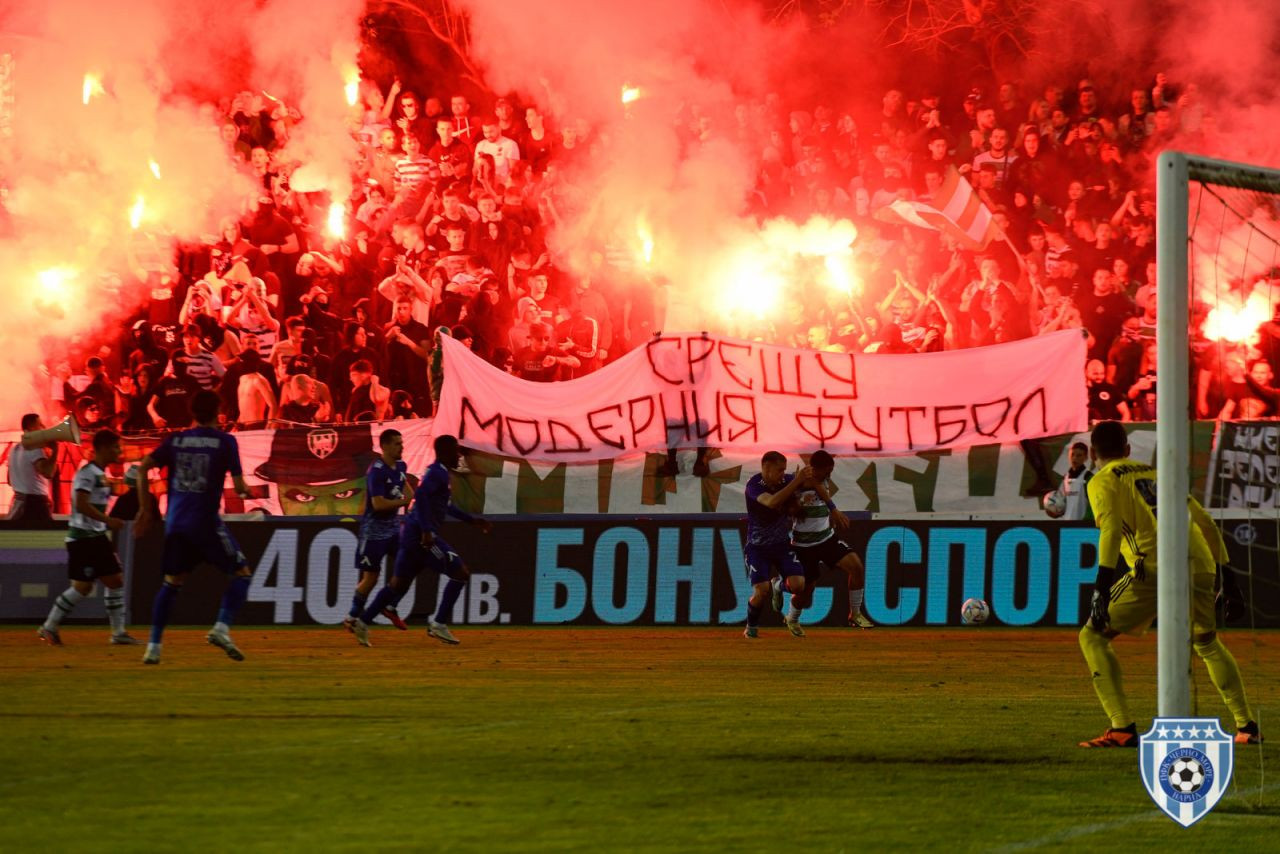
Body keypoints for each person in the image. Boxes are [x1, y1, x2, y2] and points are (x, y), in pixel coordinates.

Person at [1077, 420, 1261, 748]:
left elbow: (1110, 532)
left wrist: (1101, 587)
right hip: (1200, 562)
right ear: (1129, 450)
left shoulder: (1102, 480)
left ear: (1093, 453)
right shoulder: (1157, 474)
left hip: (1154, 566)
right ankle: (1247, 726)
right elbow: (1204, 522)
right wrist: (1228, 578)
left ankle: (1121, 727)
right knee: (1206, 642)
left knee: (1092, 636)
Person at [134, 391, 256, 665]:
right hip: (205, 523)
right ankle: (221, 628)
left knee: (171, 583)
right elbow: (238, 487)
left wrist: (145, 508)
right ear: (218, 412)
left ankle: (153, 647)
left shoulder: (176, 440)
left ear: (193, 413)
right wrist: (247, 490)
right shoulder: (226, 442)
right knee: (241, 574)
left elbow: (143, 467)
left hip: (175, 524)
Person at [350, 434, 492, 647]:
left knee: (397, 584)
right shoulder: (438, 474)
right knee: (460, 573)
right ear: (445, 453)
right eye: (456, 450)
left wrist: (472, 521)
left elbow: (444, 506)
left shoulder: (438, 472)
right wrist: (426, 531)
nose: (459, 455)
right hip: (421, 536)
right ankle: (439, 623)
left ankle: (363, 621)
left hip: (410, 533)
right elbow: (422, 497)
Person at [37, 429, 141, 646]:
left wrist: (130, 483)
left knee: (101, 583)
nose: (118, 451)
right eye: (115, 447)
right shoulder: (87, 473)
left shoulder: (99, 474)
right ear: (102, 448)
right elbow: (80, 504)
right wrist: (108, 519)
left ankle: (52, 627)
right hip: (85, 537)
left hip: (93, 536)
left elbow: (107, 490)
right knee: (96, 584)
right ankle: (115, 633)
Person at [777, 450, 875, 629]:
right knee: (805, 590)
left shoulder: (820, 479)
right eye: (827, 471)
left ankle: (855, 614)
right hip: (803, 545)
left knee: (856, 567)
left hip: (826, 539)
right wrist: (793, 507)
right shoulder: (795, 480)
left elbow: (816, 485)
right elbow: (805, 485)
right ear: (815, 468)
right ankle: (789, 611)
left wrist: (833, 510)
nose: (829, 475)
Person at [344, 429, 415, 632]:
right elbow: (378, 504)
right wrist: (404, 501)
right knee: (371, 578)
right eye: (396, 443)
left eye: (402, 443)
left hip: (393, 530)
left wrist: (409, 498)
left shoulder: (401, 466)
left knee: (410, 564)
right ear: (384, 446)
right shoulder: (376, 471)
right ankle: (352, 616)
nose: (401, 447)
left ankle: (390, 606)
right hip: (373, 532)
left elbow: (405, 485)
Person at [742, 452, 810, 639]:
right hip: (757, 547)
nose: (783, 474)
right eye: (780, 470)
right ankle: (752, 627)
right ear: (766, 467)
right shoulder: (754, 485)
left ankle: (778, 585)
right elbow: (772, 502)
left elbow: (810, 484)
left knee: (799, 585)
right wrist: (796, 482)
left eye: (784, 470)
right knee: (761, 591)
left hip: (781, 545)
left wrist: (810, 479)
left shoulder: (786, 481)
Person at [9, 413, 59, 522]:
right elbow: (48, 473)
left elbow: (9, 480)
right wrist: (55, 451)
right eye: (40, 424)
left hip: (19, 502)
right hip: (34, 504)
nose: (44, 428)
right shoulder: (34, 448)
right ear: (32, 428)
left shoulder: (14, 448)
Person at [1044, 441, 1093, 521]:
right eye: (1072, 454)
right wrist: (1052, 510)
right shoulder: (1065, 478)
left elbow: (1094, 505)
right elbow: (1062, 502)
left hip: (1083, 526)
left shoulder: (1089, 478)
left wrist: (1087, 522)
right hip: (1067, 523)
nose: (1074, 458)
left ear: (1086, 458)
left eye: (1079, 455)